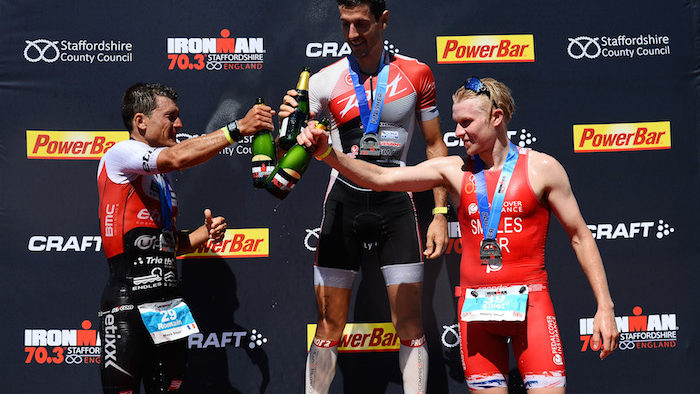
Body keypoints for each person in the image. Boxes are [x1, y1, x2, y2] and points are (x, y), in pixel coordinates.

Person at [298, 76, 619, 393]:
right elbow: (381, 178)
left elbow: (580, 237)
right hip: (477, 315)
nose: (458, 132)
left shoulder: (543, 168)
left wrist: (605, 308)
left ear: (497, 117)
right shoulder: (454, 170)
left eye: (466, 122)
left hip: (531, 309)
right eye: (456, 123)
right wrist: (330, 155)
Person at [279, 1, 448, 392]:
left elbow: (436, 146)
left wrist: (440, 211)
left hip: (397, 203)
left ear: (383, 20)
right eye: (345, 25)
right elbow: (296, 149)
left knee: (409, 324)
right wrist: (290, 120)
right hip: (344, 202)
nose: (353, 35)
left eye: (362, 24)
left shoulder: (416, 73)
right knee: (328, 325)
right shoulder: (323, 80)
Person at [97, 82, 274, 393]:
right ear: (140, 121)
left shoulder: (162, 180)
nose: (178, 124)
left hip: (168, 306)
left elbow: (165, 245)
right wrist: (238, 128)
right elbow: (176, 157)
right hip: (127, 303)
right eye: (170, 116)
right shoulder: (122, 153)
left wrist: (200, 235)